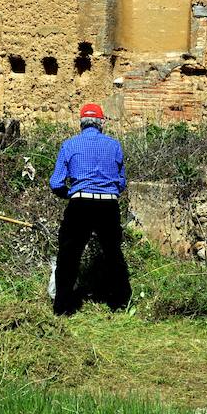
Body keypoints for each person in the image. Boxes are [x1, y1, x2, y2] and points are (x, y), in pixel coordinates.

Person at [48, 103, 131, 316]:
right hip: (108, 204)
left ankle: (63, 307)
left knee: (69, 255)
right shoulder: (114, 145)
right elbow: (121, 182)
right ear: (102, 122)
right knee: (113, 253)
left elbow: (56, 183)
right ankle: (120, 303)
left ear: (81, 123)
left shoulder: (69, 145)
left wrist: (70, 194)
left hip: (80, 204)